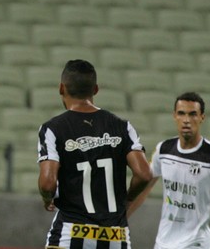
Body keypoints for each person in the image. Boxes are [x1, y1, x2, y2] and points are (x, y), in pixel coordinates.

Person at [37, 59, 152, 248]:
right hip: (116, 235)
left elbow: (48, 183)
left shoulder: (53, 129)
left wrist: (47, 198)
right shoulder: (122, 127)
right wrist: (128, 199)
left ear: (61, 88)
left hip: (71, 232)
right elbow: (144, 174)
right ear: (96, 89)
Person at [127, 92, 210, 249]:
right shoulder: (163, 150)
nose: (186, 120)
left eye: (193, 114)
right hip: (164, 242)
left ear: (202, 118)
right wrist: (123, 217)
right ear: (175, 116)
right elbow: (145, 187)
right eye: (181, 113)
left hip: (196, 242)